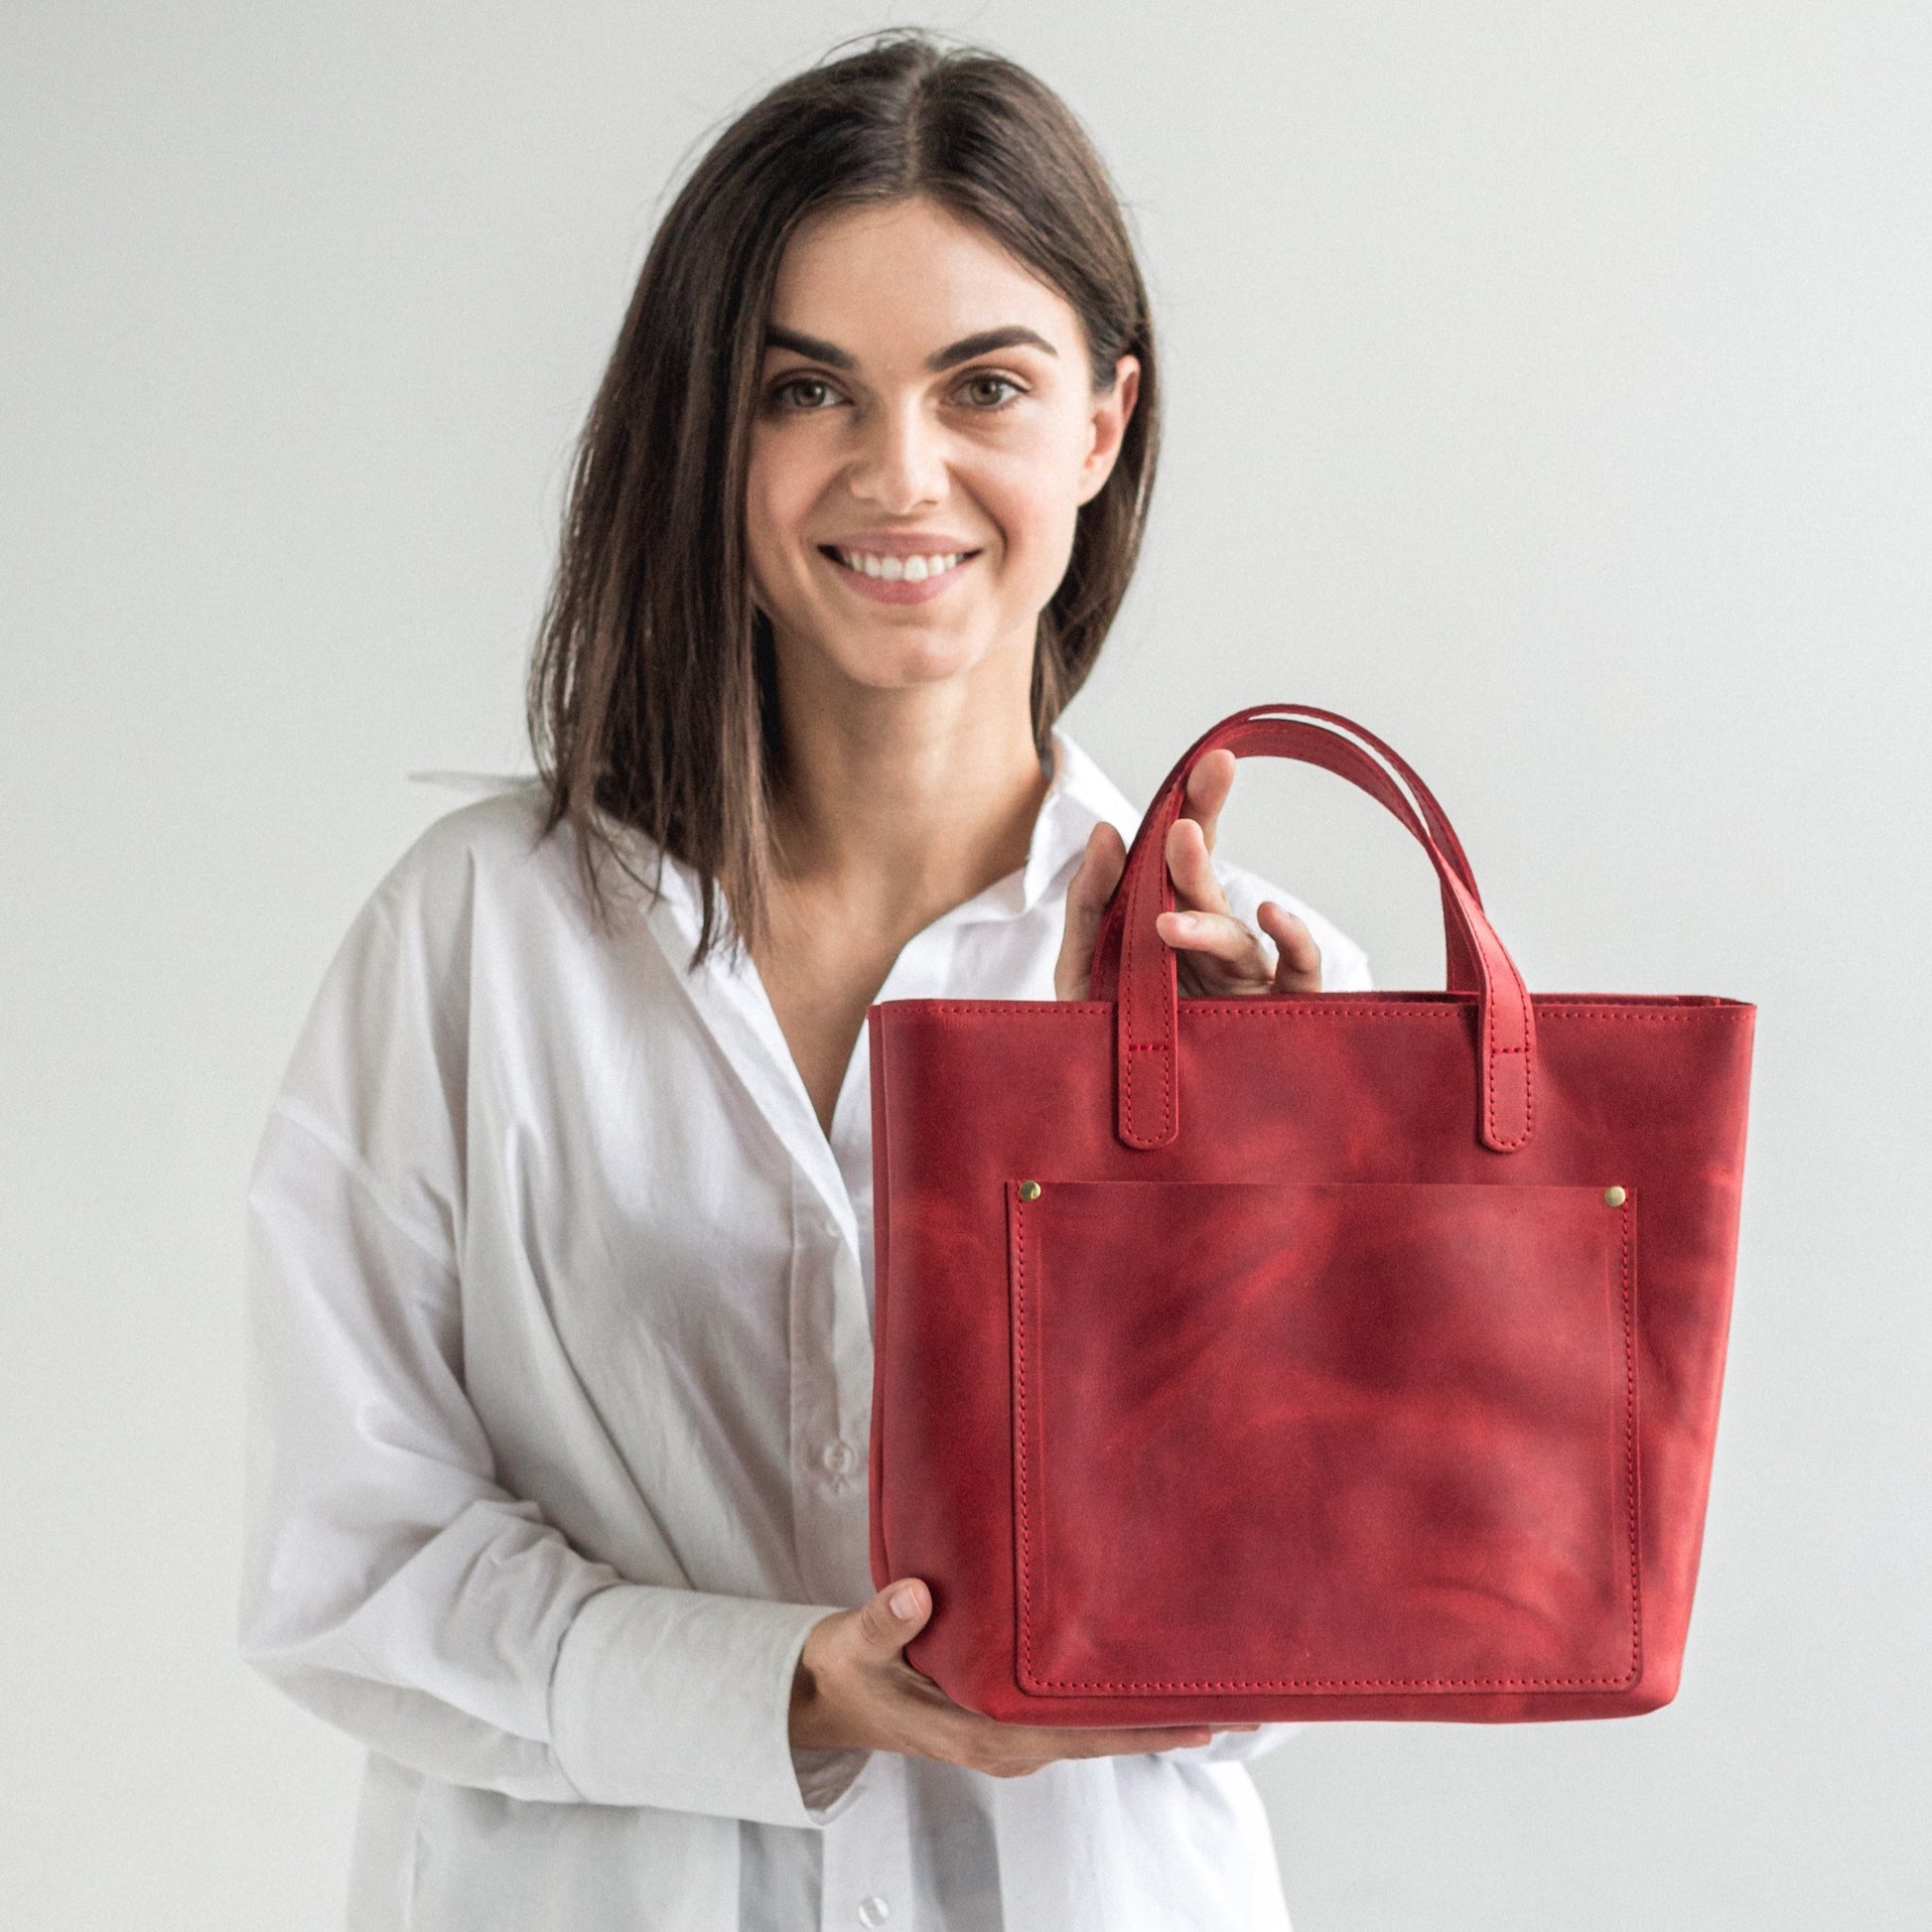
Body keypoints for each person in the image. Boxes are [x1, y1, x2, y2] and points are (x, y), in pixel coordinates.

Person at [240, 32, 1371, 1932]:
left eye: (983, 385)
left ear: (1099, 426)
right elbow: (346, 1563)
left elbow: (1292, 1642)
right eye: (806, 390)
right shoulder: (476, 941)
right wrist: (775, 1683)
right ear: (712, 431)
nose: (898, 472)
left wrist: (1262, 1188)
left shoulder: (1234, 994)